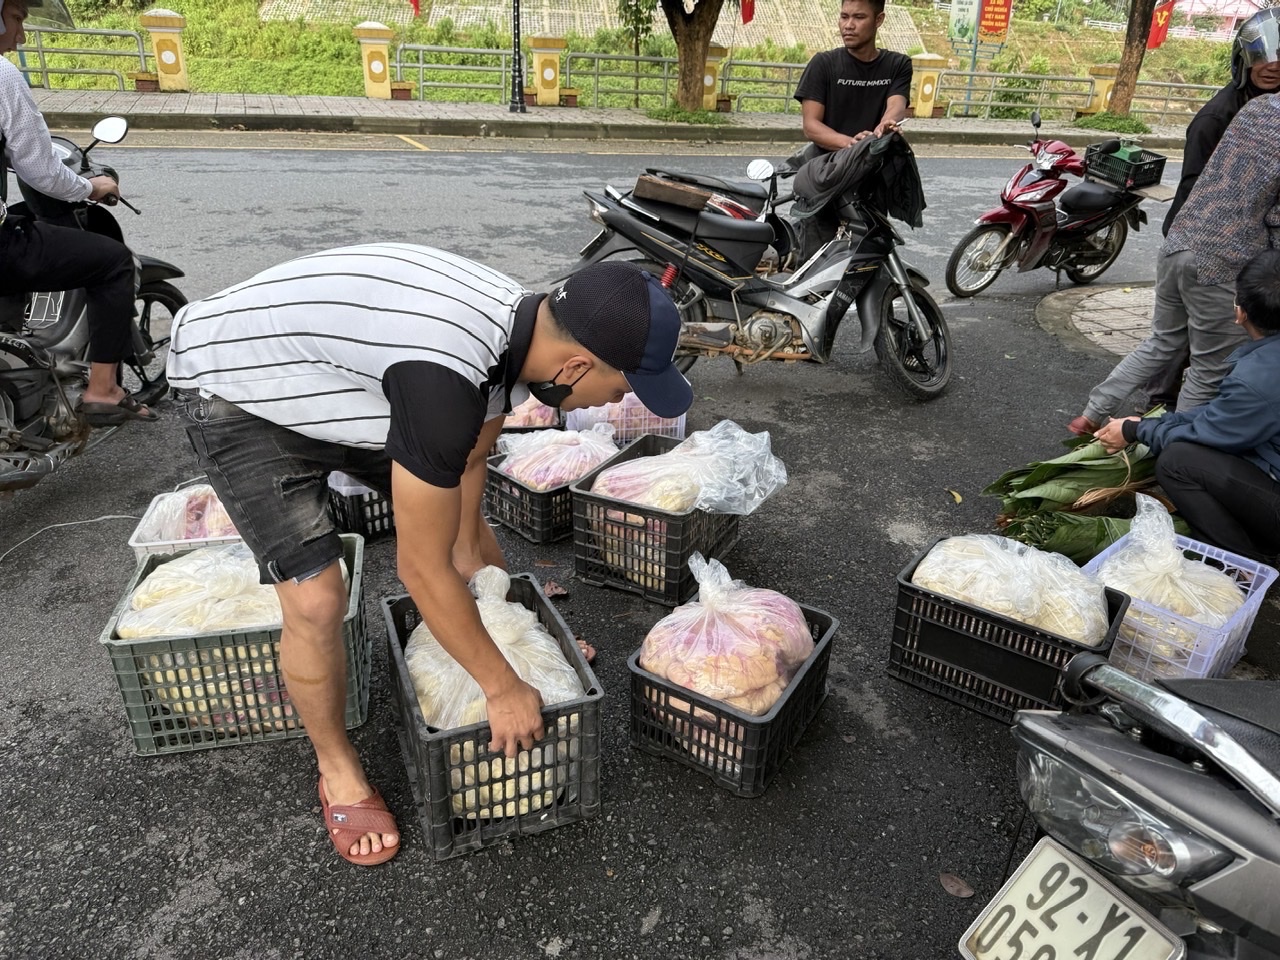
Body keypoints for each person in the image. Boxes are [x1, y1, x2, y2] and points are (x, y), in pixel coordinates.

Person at [166, 248, 693, 866]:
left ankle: (490, 638)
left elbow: (466, 501)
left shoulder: (516, 342)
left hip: (330, 375)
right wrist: (503, 687)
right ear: (576, 365)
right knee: (317, 598)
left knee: (447, 512)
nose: (610, 403)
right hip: (233, 385)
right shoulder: (447, 380)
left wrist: (519, 635)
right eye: (620, 387)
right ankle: (337, 769)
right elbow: (420, 568)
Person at [1066, 92, 1280, 437]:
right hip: (1223, 260)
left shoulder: (1260, 105)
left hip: (1180, 238)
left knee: (1161, 341)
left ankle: (1092, 414)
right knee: (1208, 370)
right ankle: (1177, 449)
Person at [0, 0, 155, 424]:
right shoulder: (3, 76)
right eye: (17, 19)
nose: (21, 35)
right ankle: (103, 390)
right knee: (114, 263)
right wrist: (91, 187)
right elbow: (41, 170)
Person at [1094, 250, 1280, 563]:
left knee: (1177, 462)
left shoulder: (1257, 377)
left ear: (1239, 312)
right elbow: (1219, 417)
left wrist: (1134, 430)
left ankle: (1243, 561)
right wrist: (1152, 424)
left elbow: (1208, 435)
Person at [1142, 7, 1280, 408]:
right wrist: (1195, 245)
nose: (1272, 67)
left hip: (1233, 244)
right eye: (1262, 58)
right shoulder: (1219, 116)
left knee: (1191, 337)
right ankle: (1162, 407)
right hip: (1208, 241)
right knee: (1188, 339)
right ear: (1243, 60)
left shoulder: (1267, 106)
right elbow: (1194, 186)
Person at [793, 0, 911, 151]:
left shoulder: (898, 64)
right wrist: (853, 145)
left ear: (878, 19)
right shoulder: (823, 63)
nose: (848, 25)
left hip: (877, 158)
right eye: (844, 17)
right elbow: (811, 125)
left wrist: (886, 124)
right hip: (830, 161)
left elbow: (896, 106)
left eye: (859, 17)